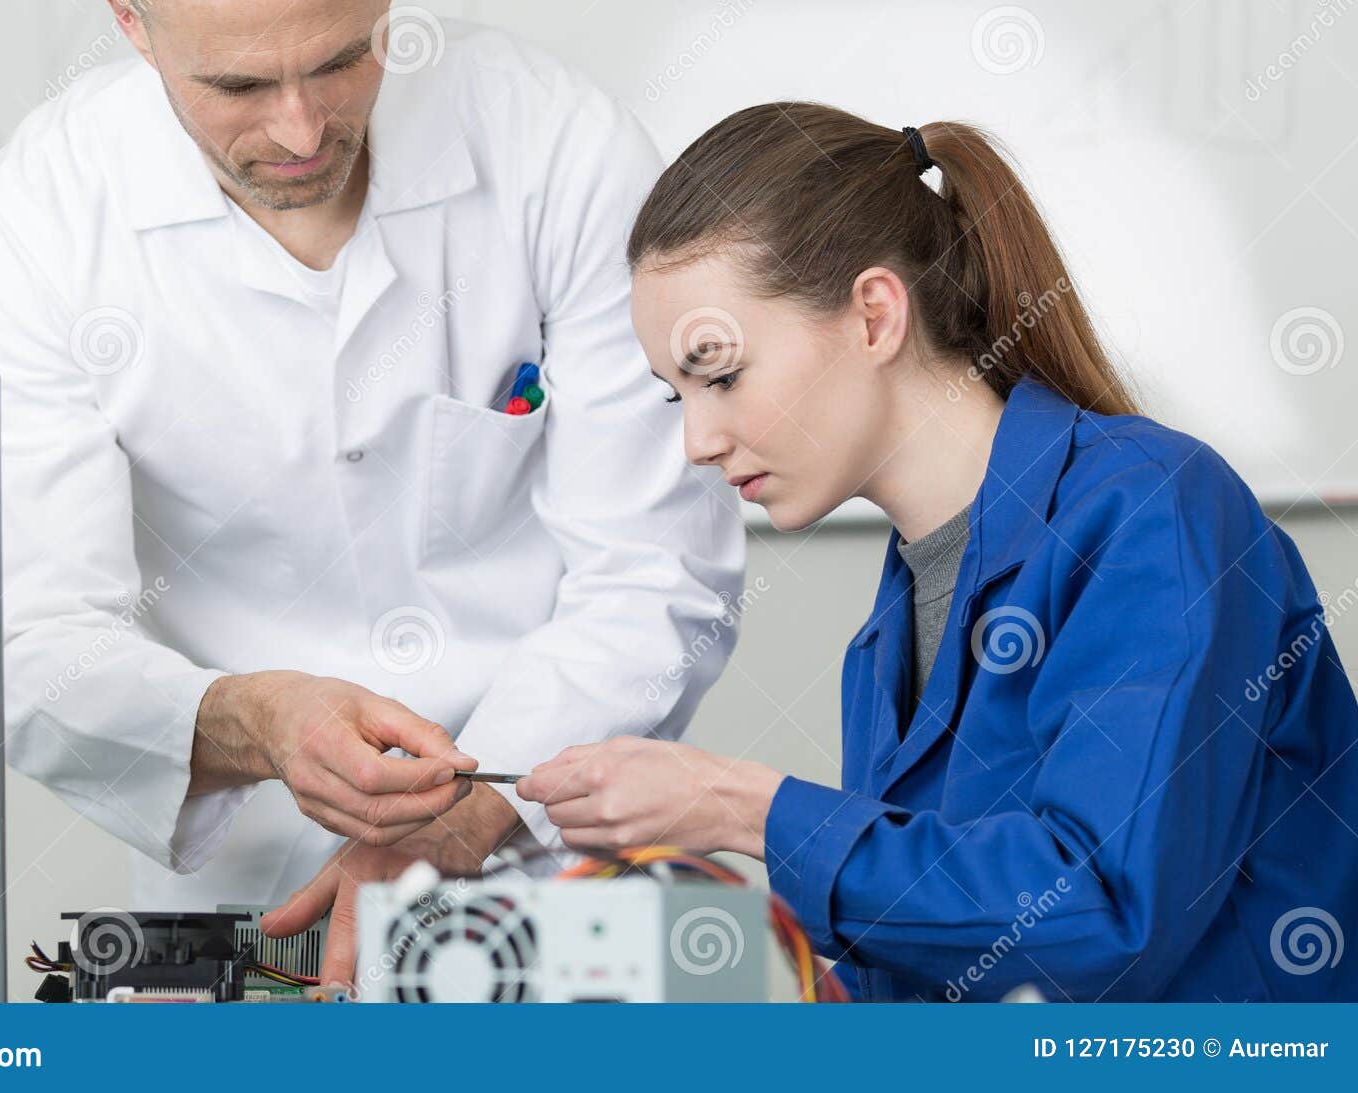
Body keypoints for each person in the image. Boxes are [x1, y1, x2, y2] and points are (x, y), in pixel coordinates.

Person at [0, 0, 742, 981]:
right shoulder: (41, 213)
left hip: (552, 859)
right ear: (130, 24)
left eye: (337, 61)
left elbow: (657, 568)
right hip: (248, 904)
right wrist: (258, 718)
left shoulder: (555, 144)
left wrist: (450, 822)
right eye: (236, 84)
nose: (301, 129)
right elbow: (25, 633)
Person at [519, 102, 1358, 1001]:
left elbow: (1104, 912)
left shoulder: (1156, 513)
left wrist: (742, 805)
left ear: (876, 315)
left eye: (720, 375)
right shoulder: (889, 637)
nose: (698, 441)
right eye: (674, 395)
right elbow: (943, 953)